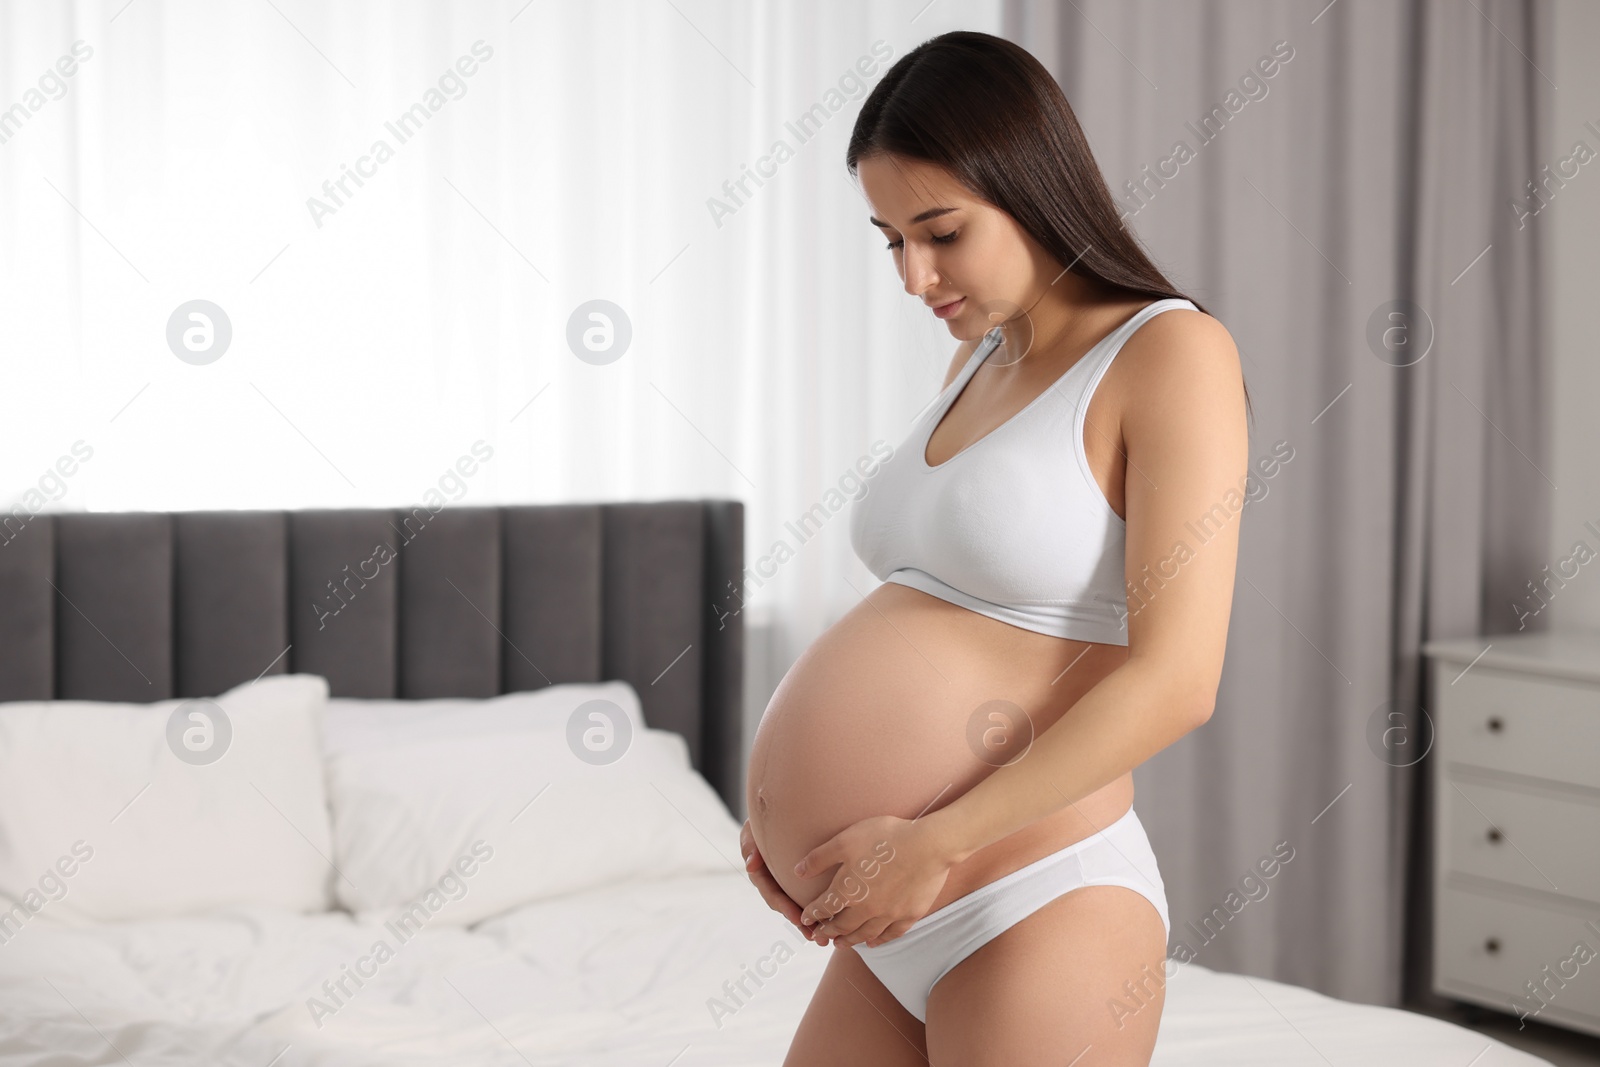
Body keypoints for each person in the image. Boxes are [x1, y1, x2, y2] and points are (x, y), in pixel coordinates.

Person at [740, 29, 1250, 1066]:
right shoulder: (975, 366)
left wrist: (931, 840)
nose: (913, 274)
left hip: (1030, 896)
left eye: (940, 231)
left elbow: (1177, 679)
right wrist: (793, 838)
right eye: (888, 238)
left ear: (1031, 188)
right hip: (894, 903)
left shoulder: (1169, 352)